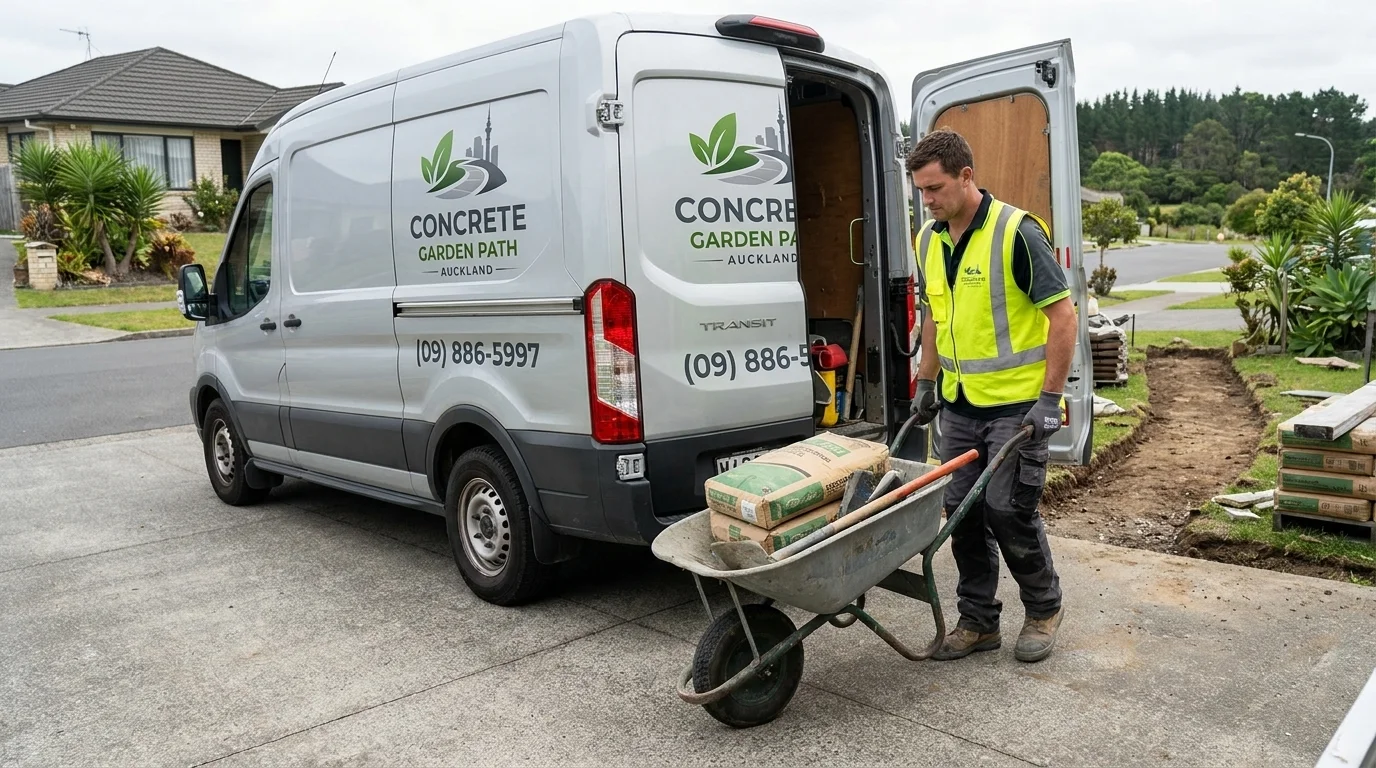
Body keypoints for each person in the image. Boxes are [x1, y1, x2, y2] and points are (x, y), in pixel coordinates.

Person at [906, 129, 1075, 663]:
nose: (928, 201)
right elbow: (934, 313)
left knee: (1007, 509)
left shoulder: (1016, 233)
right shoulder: (927, 239)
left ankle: (1044, 608)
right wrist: (927, 380)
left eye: (935, 188)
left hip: (1016, 409)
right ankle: (978, 621)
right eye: (920, 191)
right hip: (959, 405)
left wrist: (1050, 398)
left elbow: (1063, 316)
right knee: (961, 512)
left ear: (966, 176)